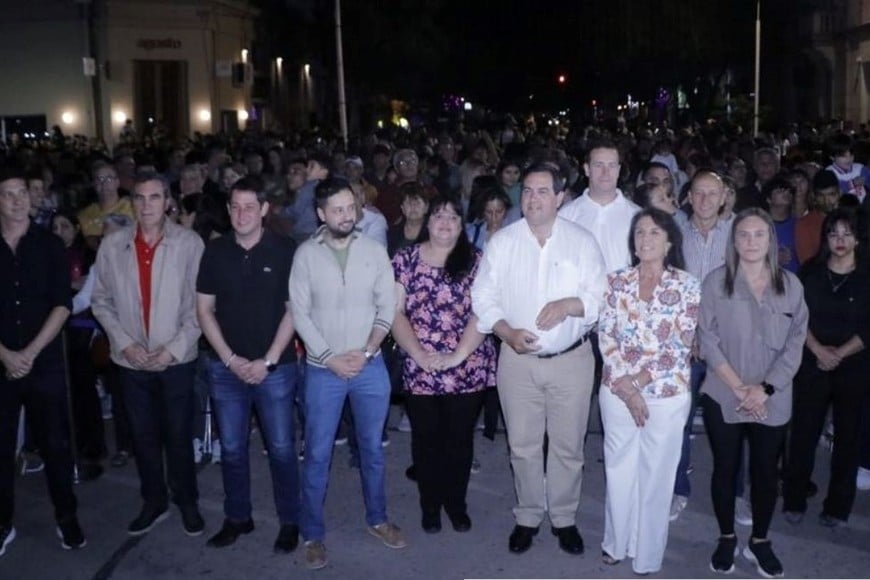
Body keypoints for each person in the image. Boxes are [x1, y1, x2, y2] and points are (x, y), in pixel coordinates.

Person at [472, 161, 606, 555]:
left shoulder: (581, 242)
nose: (533, 198)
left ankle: (563, 517)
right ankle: (528, 515)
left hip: (571, 361)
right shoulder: (504, 242)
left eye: (543, 191)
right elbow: (482, 297)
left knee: (568, 446)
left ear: (560, 197)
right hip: (517, 362)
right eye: (527, 191)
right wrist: (506, 332)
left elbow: (600, 299)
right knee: (523, 445)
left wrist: (570, 304)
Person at [288, 177, 405, 570]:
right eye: (337, 209)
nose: (346, 216)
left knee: (372, 450)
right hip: (324, 371)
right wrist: (329, 357)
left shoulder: (373, 251)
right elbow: (299, 314)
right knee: (318, 454)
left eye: (350, 208)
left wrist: (369, 349)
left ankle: (378, 519)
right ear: (321, 213)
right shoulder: (305, 255)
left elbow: (386, 307)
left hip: (370, 367)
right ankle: (313, 534)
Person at [91, 171, 206, 538]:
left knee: (177, 434)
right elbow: (101, 301)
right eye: (139, 198)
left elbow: (199, 307)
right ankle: (153, 500)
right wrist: (124, 343)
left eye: (154, 197)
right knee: (142, 436)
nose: (146, 205)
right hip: (131, 361)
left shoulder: (189, 244)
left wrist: (171, 350)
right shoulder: (112, 246)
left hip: (176, 360)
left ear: (168, 201)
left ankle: (186, 499)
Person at [698, 208, 808, 578]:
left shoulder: (791, 286)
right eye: (743, 235)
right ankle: (727, 536)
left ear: (770, 240)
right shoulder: (715, 283)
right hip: (723, 392)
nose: (750, 242)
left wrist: (764, 388)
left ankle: (760, 540)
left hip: (771, 396)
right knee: (725, 469)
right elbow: (707, 339)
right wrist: (739, 387)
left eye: (759, 234)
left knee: (765, 472)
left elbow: (795, 344)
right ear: (734, 241)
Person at [196, 175, 301, 552]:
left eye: (249, 207)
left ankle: (291, 519)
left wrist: (268, 361)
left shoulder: (285, 249)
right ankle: (238, 516)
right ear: (228, 210)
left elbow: (294, 312)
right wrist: (230, 359)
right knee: (233, 449)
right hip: (226, 368)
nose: (242, 214)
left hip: (276, 368)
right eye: (235, 207)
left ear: (264, 210)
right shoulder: (215, 252)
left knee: (282, 448)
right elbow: (204, 310)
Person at [598, 208, 700, 575]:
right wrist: (626, 387)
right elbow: (606, 335)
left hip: (666, 392)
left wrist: (638, 383)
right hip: (617, 389)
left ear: (670, 241)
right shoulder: (616, 282)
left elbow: (679, 345)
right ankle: (616, 542)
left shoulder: (687, 285)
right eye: (639, 232)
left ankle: (647, 553)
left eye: (654, 233)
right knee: (619, 468)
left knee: (656, 476)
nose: (645, 239)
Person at [391, 194, 496, 534]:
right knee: (425, 440)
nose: (445, 222)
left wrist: (456, 357)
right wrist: (420, 356)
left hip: (467, 364)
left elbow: (483, 313)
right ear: (427, 221)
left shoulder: (477, 261)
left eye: (453, 216)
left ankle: (456, 503)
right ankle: (430, 504)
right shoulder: (405, 259)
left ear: (462, 224)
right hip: (419, 363)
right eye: (438, 215)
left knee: (459, 440)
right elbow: (394, 312)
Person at [0, 166, 85, 554]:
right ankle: (3, 524)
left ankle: (67, 518)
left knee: (55, 445)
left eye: (22, 193)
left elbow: (62, 304)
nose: (18, 201)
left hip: (43, 361)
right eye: (9, 194)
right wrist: (6, 355)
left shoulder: (48, 245)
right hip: (1, 363)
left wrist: (29, 353)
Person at [782, 208, 870, 527]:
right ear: (825, 238)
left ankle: (837, 506)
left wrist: (840, 353)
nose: (840, 240)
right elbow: (795, 316)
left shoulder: (866, 276)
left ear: (858, 238)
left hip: (855, 365)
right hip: (813, 360)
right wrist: (819, 349)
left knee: (848, 437)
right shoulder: (811, 272)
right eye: (834, 234)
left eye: (847, 233)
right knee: (804, 433)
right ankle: (794, 497)